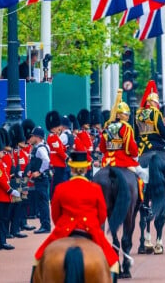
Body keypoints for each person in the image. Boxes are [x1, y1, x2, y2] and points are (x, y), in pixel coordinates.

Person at [32, 151, 120, 282]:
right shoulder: (95, 188)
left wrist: (63, 223)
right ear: (86, 168)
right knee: (114, 263)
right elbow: (102, 215)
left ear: (71, 168)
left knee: (38, 258)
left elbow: (55, 216)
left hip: (64, 229)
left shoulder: (61, 188)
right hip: (90, 228)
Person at [99, 90, 149, 189]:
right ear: (118, 115)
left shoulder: (107, 127)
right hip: (122, 160)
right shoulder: (126, 127)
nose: (128, 116)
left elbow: (102, 148)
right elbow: (131, 147)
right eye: (126, 114)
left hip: (107, 161)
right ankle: (142, 201)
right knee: (141, 177)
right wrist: (135, 155)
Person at [26, 126, 51, 234]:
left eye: (33, 136)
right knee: (43, 202)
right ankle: (45, 224)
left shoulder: (40, 148)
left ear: (37, 137)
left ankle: (45, 225)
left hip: (41, 178)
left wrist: (39, 171)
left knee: (42, 203)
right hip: (42, 179)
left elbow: (46, 160)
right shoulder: (43, 146)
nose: (32, 138)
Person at [134, 81, 165, 155]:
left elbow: (136, 133)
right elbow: (161, 128)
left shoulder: (138, 114)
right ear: (149, 102)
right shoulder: (155, 113)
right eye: (155, 102)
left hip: (140, 146)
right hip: (155, 143)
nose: (156, 104)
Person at [45, 111, 67, 197]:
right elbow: (59, 150)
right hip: (56, 164)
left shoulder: (55, 137)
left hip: (60, 164)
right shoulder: (52, 137)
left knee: (59, 184)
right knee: (55, 185)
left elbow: (62, 148)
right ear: (53, 128)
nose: (59, 129)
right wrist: (66, 157)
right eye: (58, 128)